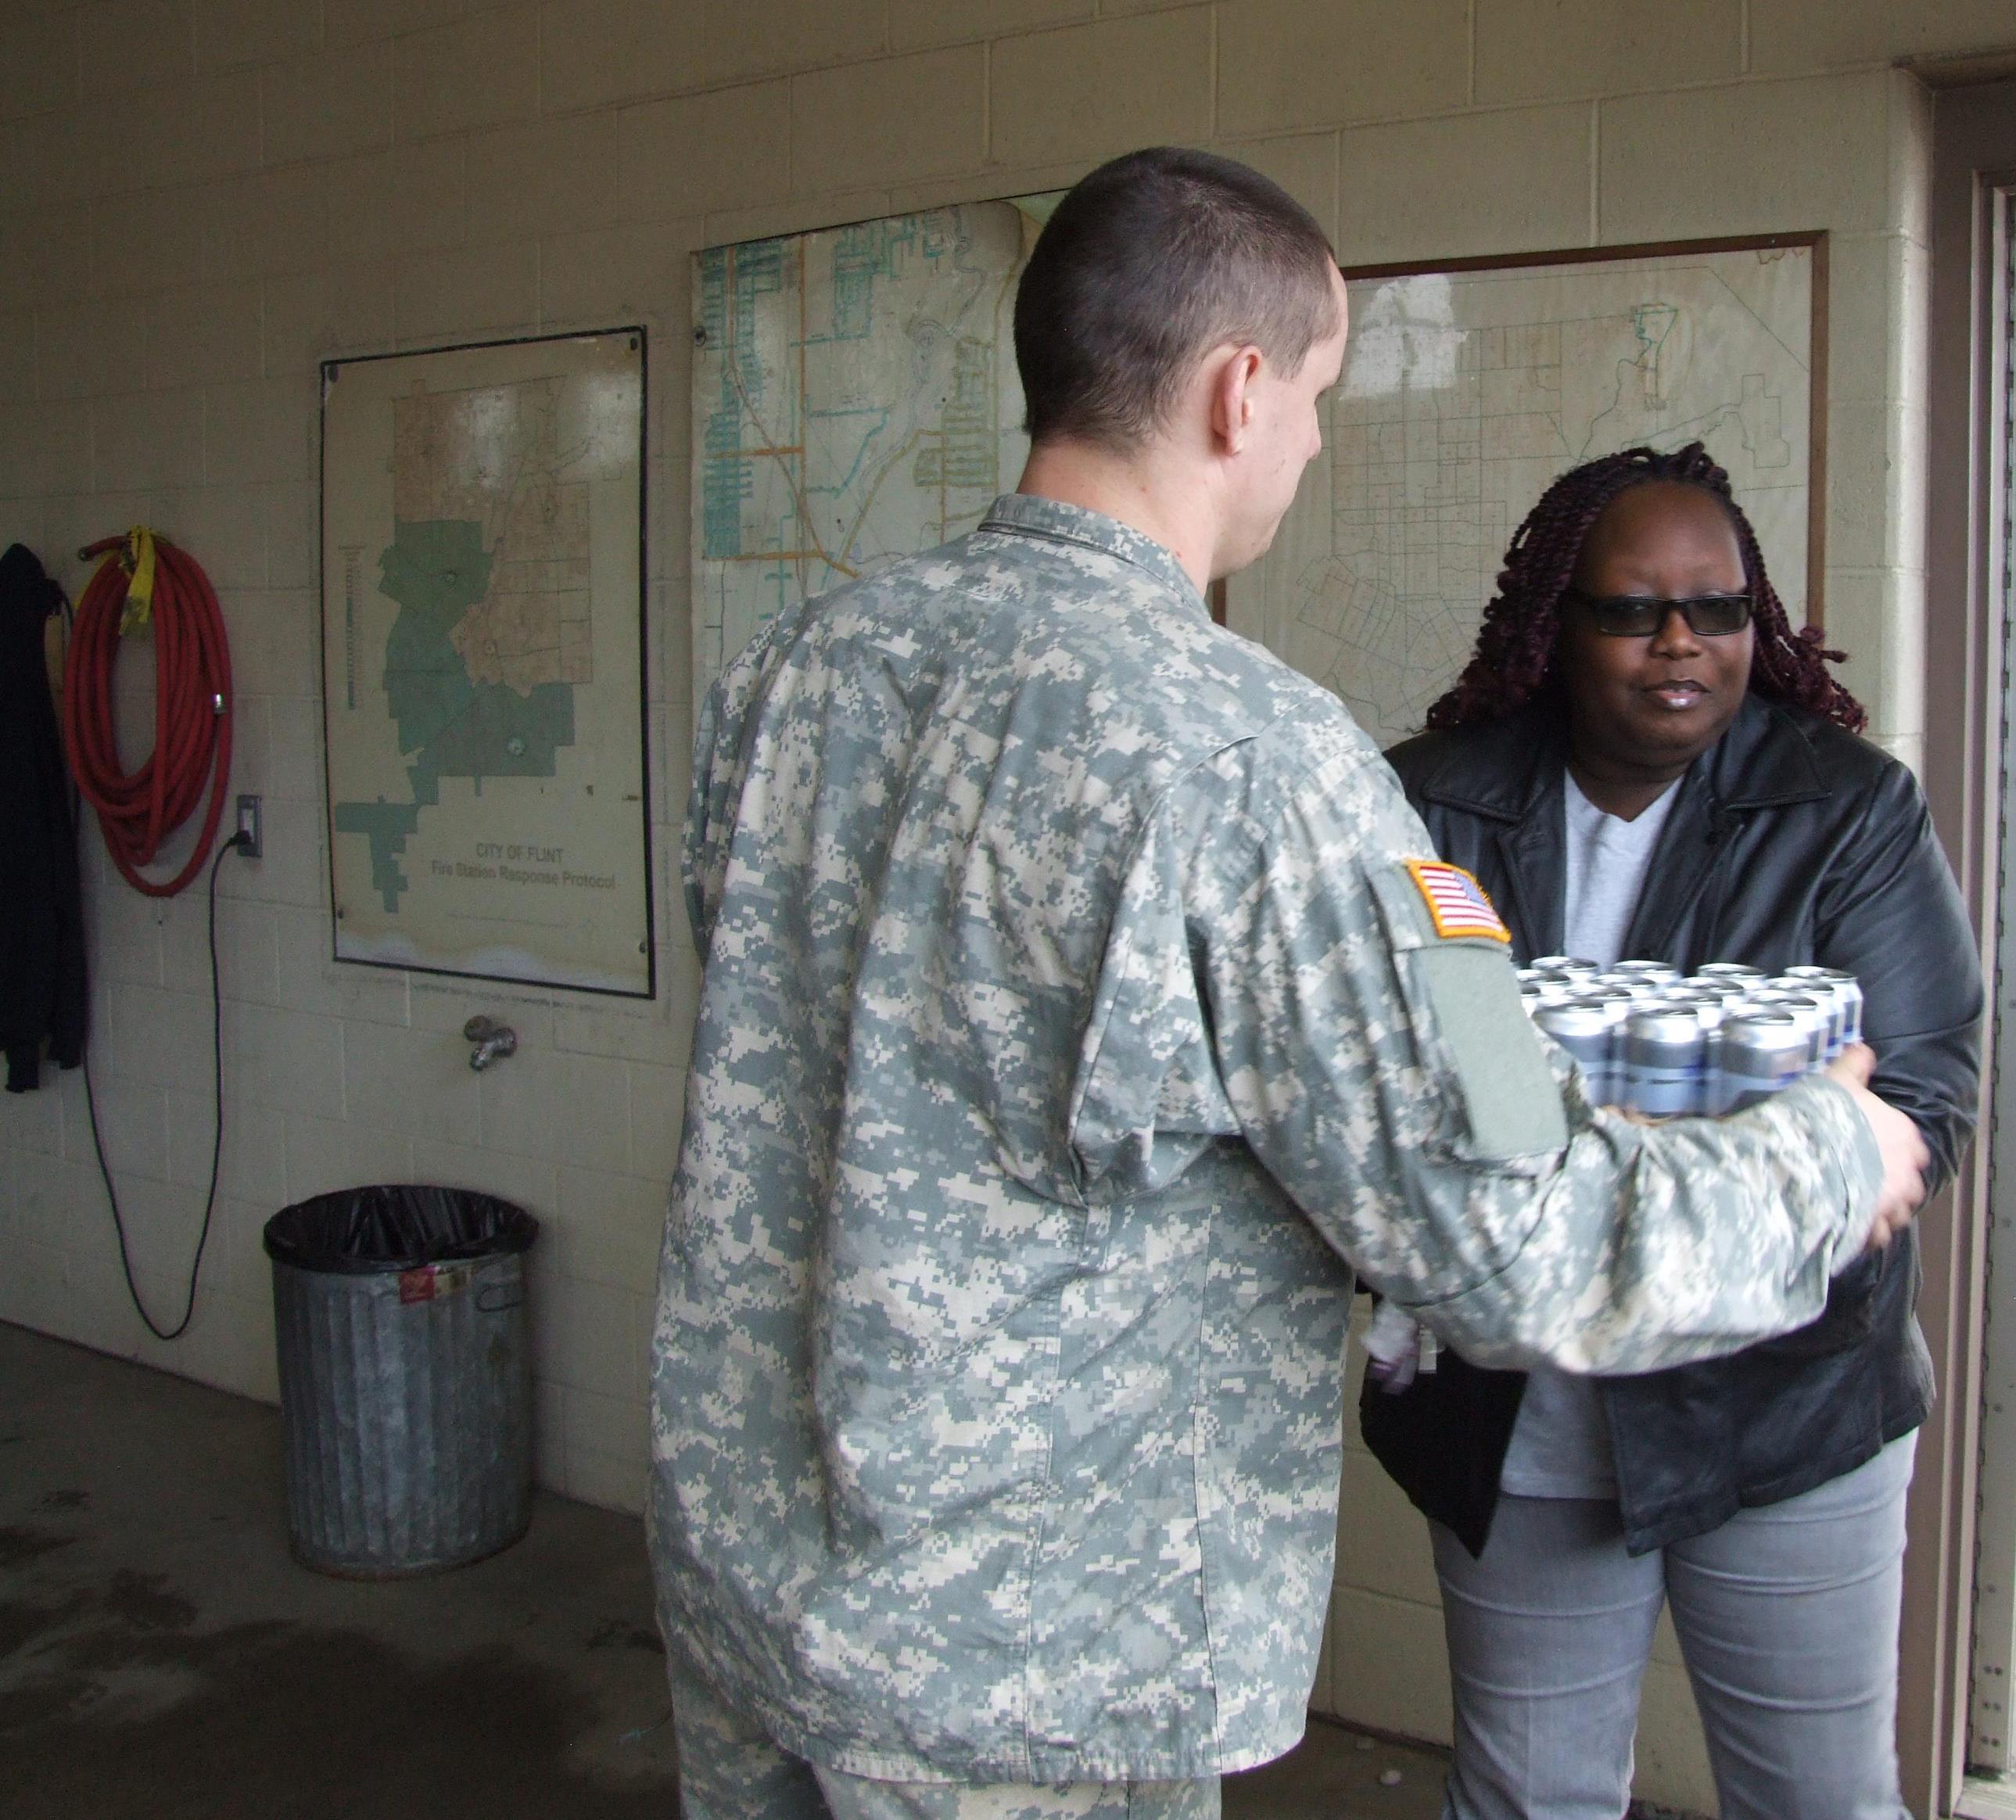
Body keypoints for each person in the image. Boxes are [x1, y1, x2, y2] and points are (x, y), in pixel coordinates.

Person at [649, 148, 1928, 1820]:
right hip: (1031, 1685)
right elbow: (1501, 1222)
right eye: (1320, 392)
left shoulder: (791, 676)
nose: (1318, 442)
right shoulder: (1266, 762)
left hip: (756, 1611)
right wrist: (1830, 1158)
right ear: (1239, 392)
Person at [1359, 443, 1984, 1820]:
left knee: (1818, 1800)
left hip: (1785, 1402)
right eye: (1632, 612)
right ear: (1553, 624)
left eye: (1719, 610)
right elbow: (1453, 1103)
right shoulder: (1438, 808)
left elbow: (1921, 1096)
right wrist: (1760, 1140)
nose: (1682, 645)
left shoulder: (1846, 808)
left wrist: (1615, 1153)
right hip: (1523, 1408)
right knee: (1532, 1797)